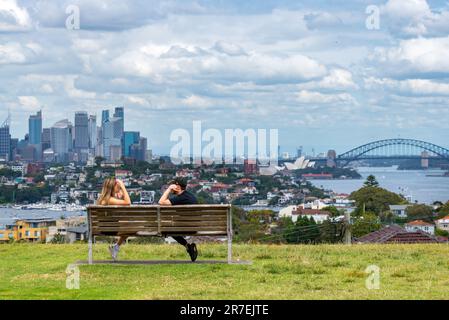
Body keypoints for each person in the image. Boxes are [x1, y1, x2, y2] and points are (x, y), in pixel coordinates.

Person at [159, 177, 198, 262]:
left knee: (167, 229)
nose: (170, 186)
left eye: (172, 184)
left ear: (178, 187)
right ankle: (188, 247)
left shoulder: (180, 198)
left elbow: (161, 202)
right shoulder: (189, 195)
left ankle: (188, 246)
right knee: (169, 228)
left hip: (186, 227)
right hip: (194, 226)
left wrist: (169, 189)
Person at [97, 177, 131, 260]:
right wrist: (123, 187)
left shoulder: (104, 199)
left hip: (105, 227)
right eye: (117, 186)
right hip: (109, 229)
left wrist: (120, 195)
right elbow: (128, 202)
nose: (118, 187)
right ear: (112, 187)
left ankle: (116, 247)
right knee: (131, 226)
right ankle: (116, 247)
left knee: (129, 225)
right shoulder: (109, 200)